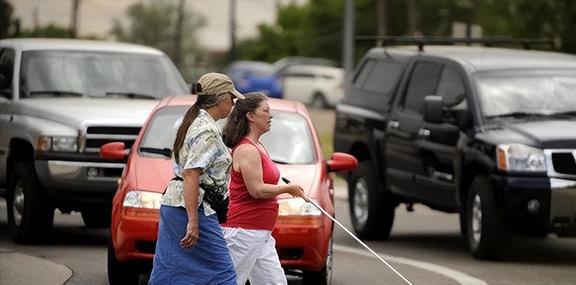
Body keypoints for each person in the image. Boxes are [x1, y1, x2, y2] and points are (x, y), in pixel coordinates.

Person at [149, 73, 245, 285]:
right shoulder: (207, 131)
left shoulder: (194, 120)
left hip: (176, 204)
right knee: (223, 274)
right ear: (220, 98)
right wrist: (193, 222)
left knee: (170, 271)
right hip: (195, 208)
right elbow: (191, 173)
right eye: (232, 97)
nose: (233, 102)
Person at [221, 92, 307, 285]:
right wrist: (288, 189)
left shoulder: (258, 145)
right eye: (265, 111)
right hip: (243, 231)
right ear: (251, 116)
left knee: (275, 283)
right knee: (230, 281)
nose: (270, 115)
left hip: (260, 232)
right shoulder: (246, 149)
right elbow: (256, 190)